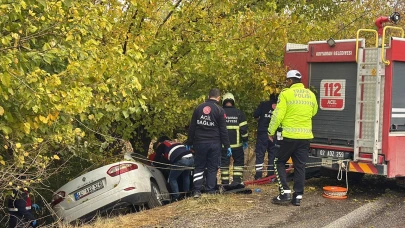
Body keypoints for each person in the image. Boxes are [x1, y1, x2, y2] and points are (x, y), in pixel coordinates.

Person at [268, 70, 318, 206]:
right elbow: (314, 111)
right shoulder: (311, 95)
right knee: (300, 166)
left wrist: (270, 131)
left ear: (290, 81)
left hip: (288, 137)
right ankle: (297, 197)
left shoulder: (286, 94)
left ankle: (284, 193)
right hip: (305, 137)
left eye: (287, 80)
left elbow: (278, 115)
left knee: (278, 162)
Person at [186, 88, 231, 199]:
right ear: (219, 98)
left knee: (199, 167)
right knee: (212, 168)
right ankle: (210, 191)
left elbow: (192, 127)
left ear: (208, 96)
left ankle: (196, 191)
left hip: (200, 143)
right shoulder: (220, 110)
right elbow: (223, 130)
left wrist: (189, 142)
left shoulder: (198, 108)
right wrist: (227, 145)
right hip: (214, 143)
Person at [152, 136, 194, 201]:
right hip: (191, 158)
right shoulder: (175, 143)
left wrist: (153, 164)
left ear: (159, 142)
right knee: (186, 176)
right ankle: (187, 194)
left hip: (181, 160)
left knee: (172, 179)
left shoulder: (162, 144)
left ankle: (176, 197)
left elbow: (157, 157)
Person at [220, 92, 248, 186]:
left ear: (223, 101)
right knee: (238, 163)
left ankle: (224, 184)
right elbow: (244, 130)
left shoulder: (220, 112)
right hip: (237, 146)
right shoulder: (239, 113)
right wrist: (245, 141)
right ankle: (236, 181)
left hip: (223, 146)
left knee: (224, 165)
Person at [253, 93, 279, 180]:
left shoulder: (264, 105)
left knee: (260, 154)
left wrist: (261, 119)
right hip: (274, 135)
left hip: (263, 133)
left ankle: (258, 176)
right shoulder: (280, 107)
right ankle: (271, 176)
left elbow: (255, 115)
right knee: (272, 155)